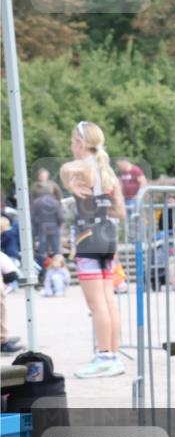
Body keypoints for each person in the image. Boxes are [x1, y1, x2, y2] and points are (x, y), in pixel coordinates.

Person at [59, 121, 127, 378]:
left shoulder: (84, 166)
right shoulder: (107, 170)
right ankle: (112, 355)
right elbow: (120, 211)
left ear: (80, 143)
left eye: (72, 142)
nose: (70, 147)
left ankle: (104, 356)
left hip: (89, 236)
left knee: (96, 303)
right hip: (108, 235)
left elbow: (65, 167)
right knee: (108, 301)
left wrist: (69, 182)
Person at [31, 183, 64, 259]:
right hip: (54, 227)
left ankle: (42, 266)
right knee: (56, 250)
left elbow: (32, 217)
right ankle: (58, 266)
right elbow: (61, 217)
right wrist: (57, 225)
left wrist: (38, 225)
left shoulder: (36, 202)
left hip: (42, 228)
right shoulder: (55, 202)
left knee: (42, 249)